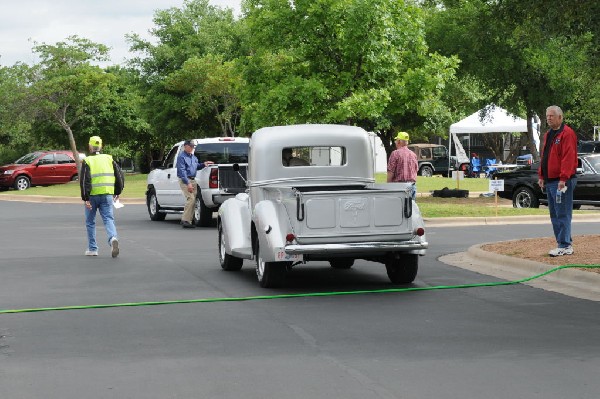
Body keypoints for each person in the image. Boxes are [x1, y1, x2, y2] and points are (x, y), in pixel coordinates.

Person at [537, 105, 578, 257]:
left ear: (560, 117)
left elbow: (568, 157)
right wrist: (541, 176)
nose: (549, 118)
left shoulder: (567, 134)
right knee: (554, 214)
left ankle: (565, 245)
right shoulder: (548, 135)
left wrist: (563, 178)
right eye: (547, 115)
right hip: (550, 181)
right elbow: (545, 156)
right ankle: (562, 242)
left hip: (561, 182)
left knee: (562, 213)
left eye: (552, 116)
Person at [80, 136, 125, 258]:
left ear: (90, 147)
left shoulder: (88, 161)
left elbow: (85, 180)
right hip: (107, 195)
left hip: (93, 196)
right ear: (101, 146)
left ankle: (93, 248)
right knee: (108, 219)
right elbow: (119, 176)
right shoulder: (109, 159)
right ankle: (112, 239)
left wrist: (85, 198)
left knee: (90, 222)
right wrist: (117, 191)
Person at [176, 140, 214, 228]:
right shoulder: (181, 157)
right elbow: (182, 171)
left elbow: (196, 166)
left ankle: (188, 220)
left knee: (193, 200)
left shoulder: (193, 157)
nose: (192, 148)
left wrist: (204, 164)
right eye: (191, 146)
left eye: (193, 146)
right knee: (191, 199)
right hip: (185, 180)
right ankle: (185, 220)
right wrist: (188, 183)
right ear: (185, 146)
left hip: (193, 180)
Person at [387, 131, 418, 199]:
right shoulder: (413, 155)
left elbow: (390, 172)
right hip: (412, 186)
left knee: (398, 209)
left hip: (399, 187)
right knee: (411, 208)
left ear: (398, 141)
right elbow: (415, 172)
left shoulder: (395, 154)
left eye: (396, 140)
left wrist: (388, 186)